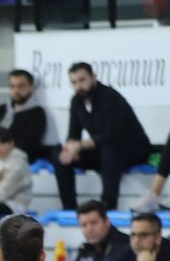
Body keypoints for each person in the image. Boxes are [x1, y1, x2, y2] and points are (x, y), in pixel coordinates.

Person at [56, 61, 151, 211]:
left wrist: (79, 145)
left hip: (132, 149)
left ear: (93, 77)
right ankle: (69, 208)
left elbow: (111, 134)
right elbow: (73, 133)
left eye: (82, 80)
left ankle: (107, 207)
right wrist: (70, 149)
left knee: (110, 149)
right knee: (61, 157)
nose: (79, 86)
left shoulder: (109, 96)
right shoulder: (76, 101)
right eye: (74, 82)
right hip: (104, 151)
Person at [0, 128, 31, 213]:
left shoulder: (18, 163)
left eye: (1, 143)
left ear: (11, 143)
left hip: (15, 205)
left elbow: (4, 192)